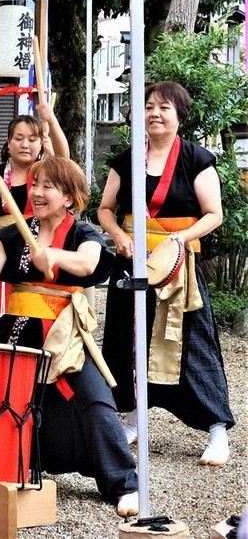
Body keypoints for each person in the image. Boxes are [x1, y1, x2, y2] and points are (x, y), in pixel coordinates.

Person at [0, 156, 138, 516]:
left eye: (48, 186)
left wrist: (53, 255)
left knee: (95, 400)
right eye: (35, 184)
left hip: (65, 334)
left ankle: (124, 484)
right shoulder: (11, 235)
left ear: (69, 198)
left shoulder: (84, 234)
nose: (37, 192)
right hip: (16, 329)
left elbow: (88, 263)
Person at [98, 81, 234, 466]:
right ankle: (133, 419)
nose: (155, 113)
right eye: (149, 107)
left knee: (193, 344)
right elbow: (105, 209)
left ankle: (217, 431)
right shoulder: (127, 159)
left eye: (164, 108)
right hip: (132, 264)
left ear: (180, 116)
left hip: (178, 267)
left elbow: (214, 214)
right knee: (128, 339)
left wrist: (180, 239)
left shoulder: (197, 158)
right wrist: (118, 235)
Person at [0, 101, 69, 269]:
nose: (25, 145)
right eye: (18, 138)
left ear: (41, 144)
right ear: (8, 142)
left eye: (32, 139)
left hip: (36, 258)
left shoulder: (48, 177)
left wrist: (51, 119)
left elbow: (64, 159)